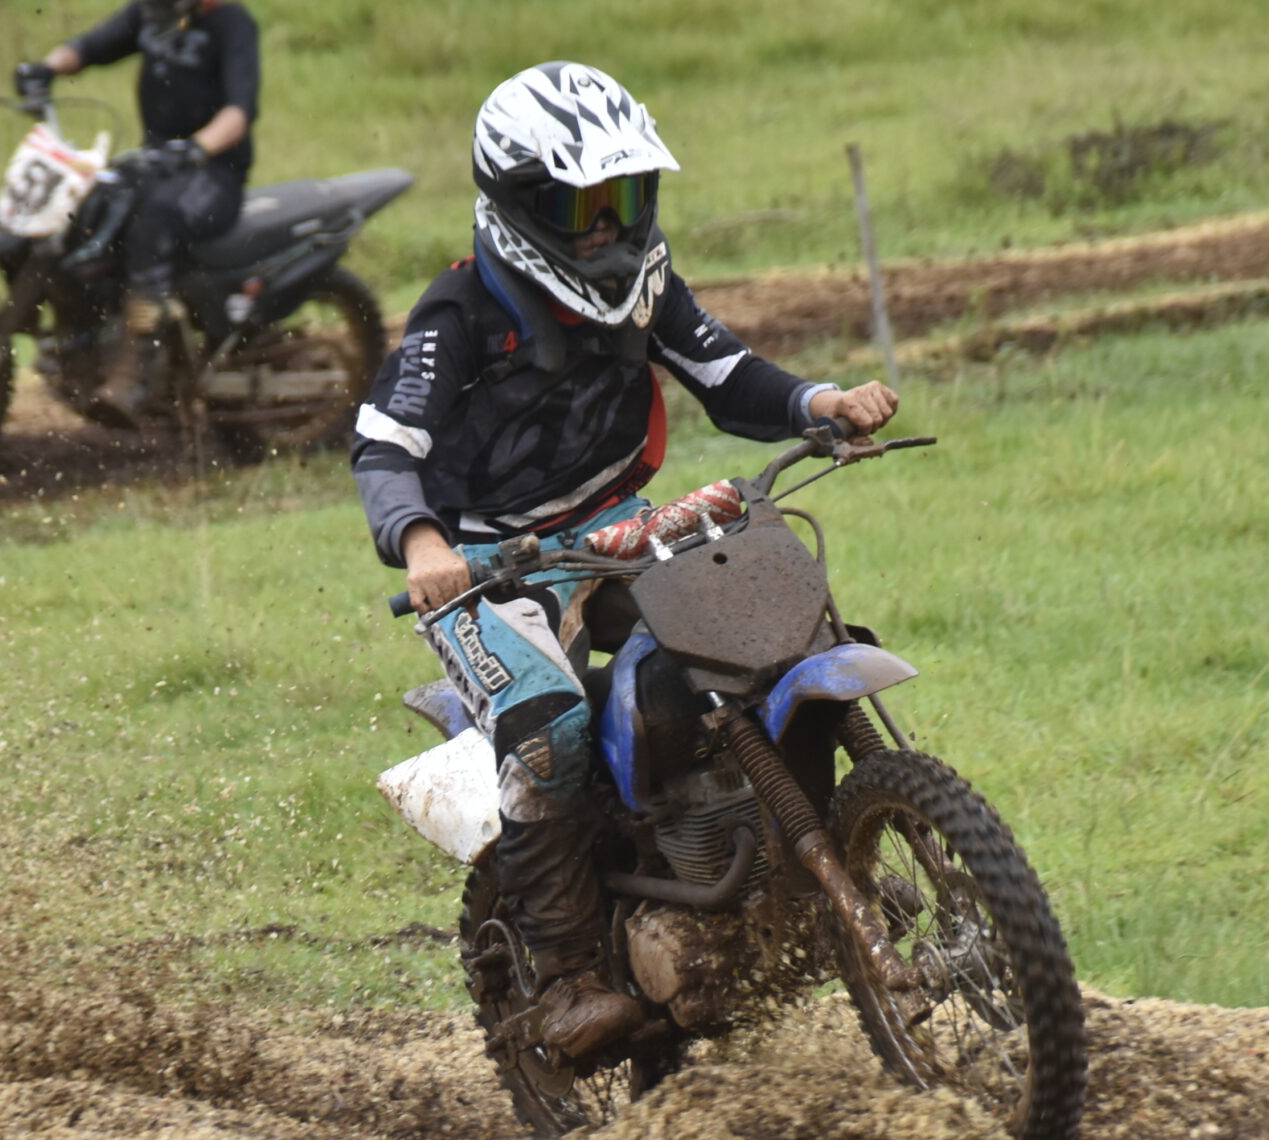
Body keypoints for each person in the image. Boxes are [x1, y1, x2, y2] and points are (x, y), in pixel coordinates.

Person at [353, 62, 898, 1061]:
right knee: (549, 723)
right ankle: (567, 977)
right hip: (490, 562)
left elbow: (724, 372)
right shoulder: (456, 316)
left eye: (624, 195)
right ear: (521, 204)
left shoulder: (646, 288)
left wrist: (817, 403)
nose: (607, 226)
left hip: (617, 529)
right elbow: (385, 448)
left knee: (760, 628)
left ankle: (807, 856)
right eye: (581, 205)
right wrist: (423, 543)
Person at [26, 0, 260, 412]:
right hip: (157, 163)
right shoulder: (151, 13)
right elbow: (89, 47)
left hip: (212, 173)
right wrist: (45, 68)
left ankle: (138, 369)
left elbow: (239, 113)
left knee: (152, 222)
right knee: (88, 207)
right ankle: (84, 339)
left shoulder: (231, 22)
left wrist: (196, 148)